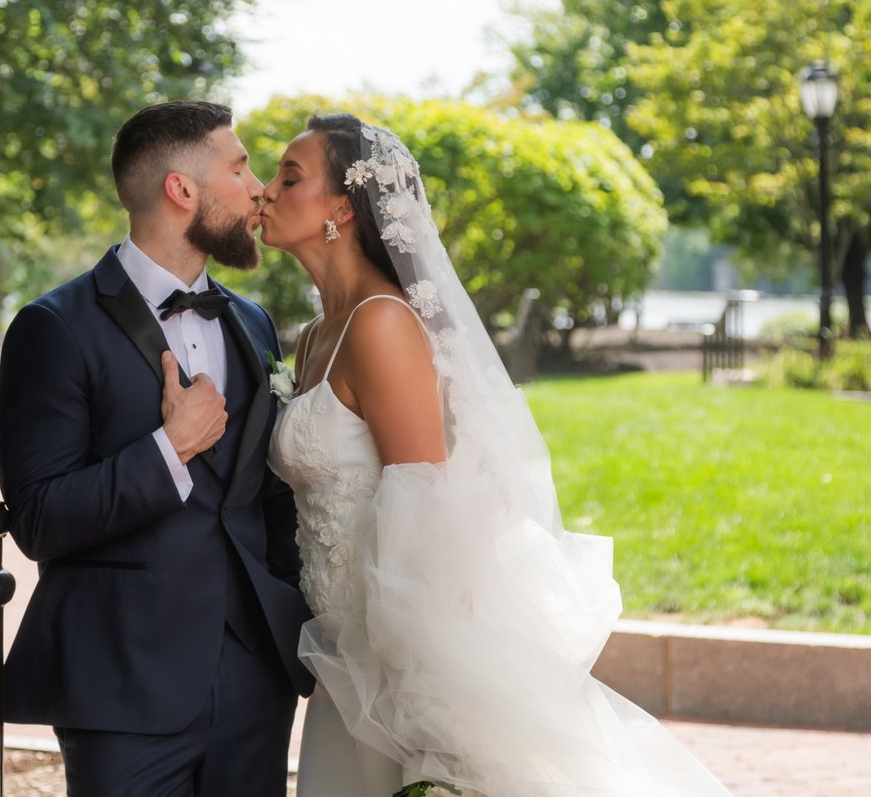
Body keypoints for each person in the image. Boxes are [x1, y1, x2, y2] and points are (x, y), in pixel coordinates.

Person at [261, 114, 731, 796]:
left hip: (403, 670)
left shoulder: (382, 325)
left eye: (289, 176)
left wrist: (427, 701)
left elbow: (427, 512)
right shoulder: (313, 337)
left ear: (341, 207)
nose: (266, 192)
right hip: (341, 663)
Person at [0, 100, 313, 797]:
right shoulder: (53, 328)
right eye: (239, 167)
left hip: (255, 678)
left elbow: (269, 491)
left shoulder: (254, 322)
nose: (257, 186)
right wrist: (169, 447)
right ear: (181, 190)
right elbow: (40, 519)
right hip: (122, 682)